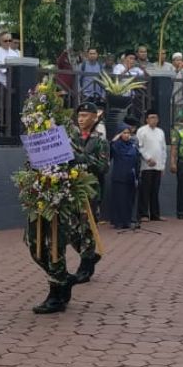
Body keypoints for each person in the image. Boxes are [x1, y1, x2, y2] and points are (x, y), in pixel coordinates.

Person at [70, 102, 109, 283]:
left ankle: (85, 268)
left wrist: (83, 158)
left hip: (90, 190)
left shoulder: (100, 141)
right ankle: (90, 256)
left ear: (94, 117)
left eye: (85, 115)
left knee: (87, 229)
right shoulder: (72, 138)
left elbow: (103, 167)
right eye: (79, 116)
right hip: (72, 189)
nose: (81, 119)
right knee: (70, 229)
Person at [108, 117, 142, 230]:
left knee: (128, 200)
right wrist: (114, 140)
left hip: (131, 177)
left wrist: (137, 175)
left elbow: (137, 159)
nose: (127, 135)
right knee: (119, 200)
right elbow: (108, 152)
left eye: (128, 133)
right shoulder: (116, 145)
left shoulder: (133, 145)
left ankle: (127, 221)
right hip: (119, 177)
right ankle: (118, 222)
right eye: (124, 133)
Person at [135, 109, 165, 222]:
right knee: (145, 191)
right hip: (146, 166)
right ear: (147, 119)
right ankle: (143, 214)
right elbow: (139, 147)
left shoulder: (160, 132)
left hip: (157, 166)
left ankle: (155, 214)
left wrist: (162, 166)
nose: (154, 120)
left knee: (155, 191)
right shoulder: (141, 131)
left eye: (155, 118)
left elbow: (163, 150)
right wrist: (147, 158)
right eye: (151, 117)